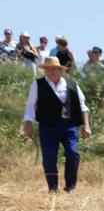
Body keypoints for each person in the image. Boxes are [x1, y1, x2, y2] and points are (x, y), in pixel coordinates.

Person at [22, 56, 91, 192]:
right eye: (48, 69)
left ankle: (70, 187)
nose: (52, 71)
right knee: (49, 157)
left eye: (54, 69)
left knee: (73, 153)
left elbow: (83, 107)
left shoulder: (72, 85)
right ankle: (52, 188)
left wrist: (86, 125)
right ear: (45, 71)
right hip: (48, 126)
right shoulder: (38, 84)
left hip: (69, 126)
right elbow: (30, 105)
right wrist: (28, 123)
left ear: (60, 70)